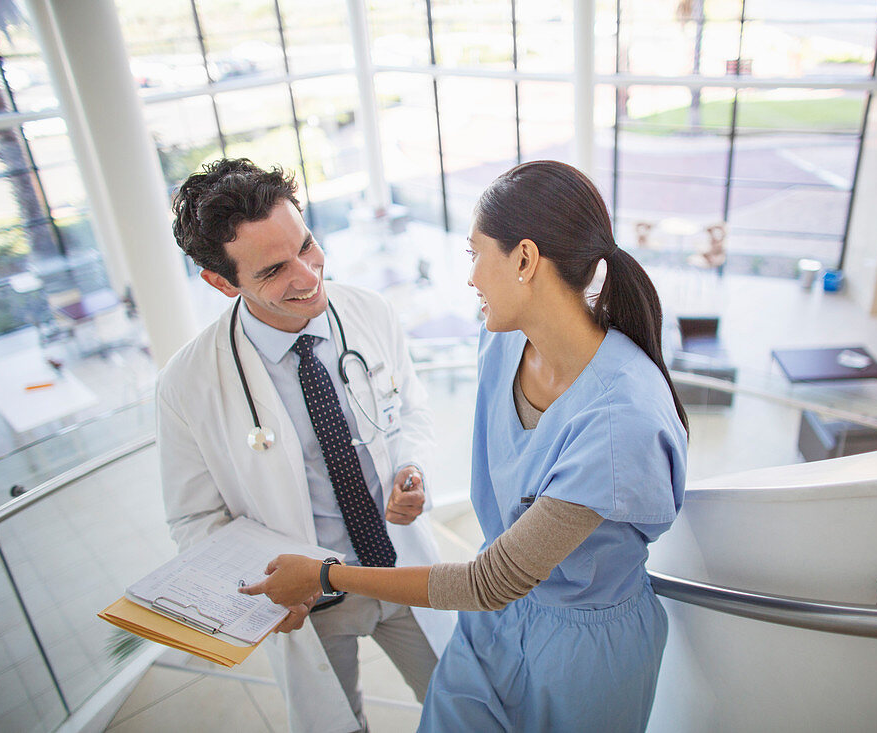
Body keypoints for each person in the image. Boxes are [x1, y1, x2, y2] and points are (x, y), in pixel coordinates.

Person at [242, 159, 689, 732]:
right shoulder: (503, 343)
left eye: (476, 254)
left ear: (525, 260)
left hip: (579, 652)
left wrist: (325, 576)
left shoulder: (618, 418)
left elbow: (490, 580)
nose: (471, 277)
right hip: (494, 625)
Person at [157, 158, 455, 733]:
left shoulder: (368, 310)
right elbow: (194, 519)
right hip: (306, 605)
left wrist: (411, 466)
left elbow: (411, 408)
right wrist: (255, 592)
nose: (307, 275)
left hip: (399, 568)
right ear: (222, 283)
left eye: (308, 245)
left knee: (461, 702)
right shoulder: (186, 384)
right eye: (273, 269)